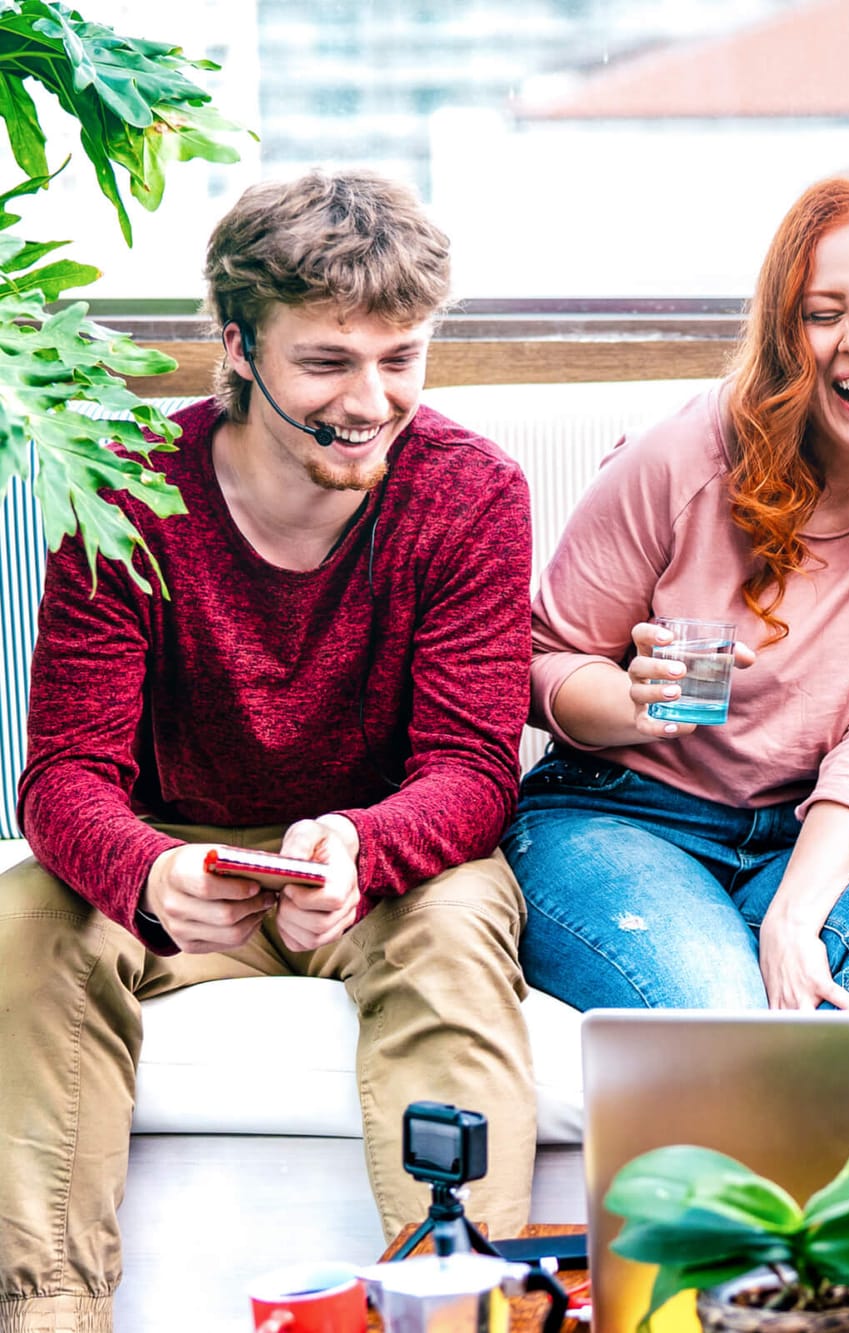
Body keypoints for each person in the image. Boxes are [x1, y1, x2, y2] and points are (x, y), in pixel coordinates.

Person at [0, 171, 537, 1330]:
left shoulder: (472, 491)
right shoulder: (132, 489)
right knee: (25, 922)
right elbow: (63, 777)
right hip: (180, 853)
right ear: (238, 347)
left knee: (455, 939)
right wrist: (146, 873)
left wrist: (364, 848)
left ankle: (463, 1317)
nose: (372, 399)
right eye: (329, 362)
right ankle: (46, 1314)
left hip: (388, 861)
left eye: (401, 357)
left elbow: (473, 767)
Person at [502, 177, 849, 1013]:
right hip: (616, 814)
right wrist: (634, 704)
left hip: (799, 828)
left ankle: (842, 1150)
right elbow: (540, 658)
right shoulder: (681, 460)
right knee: (719, 1007)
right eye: (822, 313)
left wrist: (793, 915)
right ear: (784, 334)